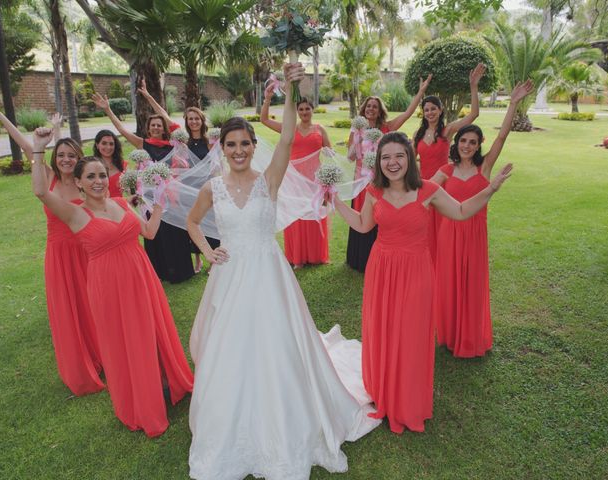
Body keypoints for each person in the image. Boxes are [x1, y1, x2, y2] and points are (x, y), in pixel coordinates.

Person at [185, 63, 379, 479]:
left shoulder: (268, 180)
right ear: (222, 147)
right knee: (229, 350)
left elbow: (288, 136)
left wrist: (290, 90)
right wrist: (208, 249)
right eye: (231, 144)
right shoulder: (211, 188)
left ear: (254, 145)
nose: (238, 150)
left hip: (269, 276)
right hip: (230, 275)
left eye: (245, 143)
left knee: (278, 345)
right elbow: (192, 223)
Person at [332, 131, 513, 433]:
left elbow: (460, 211)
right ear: (379, 162)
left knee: (412, 332)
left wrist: (490, 189)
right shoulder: (374, 191)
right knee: (384, 328)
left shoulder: (428, 189)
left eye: (399, 156)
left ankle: (407, 399)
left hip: (417, 271)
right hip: (382, 269)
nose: (392, 162)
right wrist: (336, 202)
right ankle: (383, 389)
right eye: (386, 157)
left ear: (409, 159)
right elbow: (363, 225)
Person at [30, 127, 193, 437]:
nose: (98, 181)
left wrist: (159, 202)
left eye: (101, 175)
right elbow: (40, 191)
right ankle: (140, 398)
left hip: (141, 276)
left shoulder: (120, 202)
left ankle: (163, 381)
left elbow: (149, 232)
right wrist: (38, 148)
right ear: (78, 182)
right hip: (109, 285)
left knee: (150, 330)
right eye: (90, 177)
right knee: (127, 338)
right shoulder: (75, 214)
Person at [0, 109, 104, 396]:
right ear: (54, 157)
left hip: (87, 251)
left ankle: (103, 353)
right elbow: (28, 146)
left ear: (78, 159)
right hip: (60, 256)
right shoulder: (47, 177)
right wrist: (0, 115)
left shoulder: (83, 182)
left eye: (71, 156)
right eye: (61, 155)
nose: (65, 159)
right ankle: (82, 363)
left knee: (93, 304)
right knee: (70, 309)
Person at [431, 80, 534, 358]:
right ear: (458, 143)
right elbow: (423, 189)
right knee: (450, 284)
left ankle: (470, 336)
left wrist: (512, 103)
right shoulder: (446, 169)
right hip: (449, 233)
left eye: (472, 142)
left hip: (475, 234)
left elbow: (501, 137)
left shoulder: (484, 167)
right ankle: (451, 334)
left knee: (472, 286)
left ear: (479, 146)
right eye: (463, 141)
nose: (467, 145)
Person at [92, 92, 194, 283]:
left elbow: (165, 114)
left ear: (163, 128)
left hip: (171, 195)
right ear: (148, 128)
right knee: (157, 232)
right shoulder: (143, 143)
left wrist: (149, 96)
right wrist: (107, 110)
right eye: (152, 125)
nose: (156, 127)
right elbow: (122, 131)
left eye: (159, 125)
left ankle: (181, 270)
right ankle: (161, 271)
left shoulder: (173, 144)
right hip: (150, 197)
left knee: (174, 231)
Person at [345, 77, 431, 272]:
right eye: (368, 106)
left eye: (375, 107)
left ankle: (377, 259)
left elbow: (408, 113)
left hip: (381, 182)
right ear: (363, 109)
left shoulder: (388, 128)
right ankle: (358, 260)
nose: (371, 109)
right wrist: (357, 137)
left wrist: (420, 92)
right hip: (360, 183)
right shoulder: (357, 128)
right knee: (361, 218)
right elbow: (350, 157)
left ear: (380, 110)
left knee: (379, 218)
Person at [138, 80, 219, 273]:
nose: (193, 121)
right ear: (186, 121)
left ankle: (212, 258)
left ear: (202, 120)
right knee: (191, 224)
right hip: (187, 188)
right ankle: (198, 259)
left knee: (211, 221)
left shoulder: (211, 141)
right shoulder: (182, 140)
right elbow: (164, 116)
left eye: (196, 118)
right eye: (190, 119)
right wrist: (149, 97)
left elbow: (216, 165)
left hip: (205, 187)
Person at [414, 63, 485, 262]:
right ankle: (426, 262)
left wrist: (473, 86)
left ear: (440, 110)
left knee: (441, 226)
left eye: (433, 109)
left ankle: (443, 262)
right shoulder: (417, 135)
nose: (430, 112)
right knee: (423, 227)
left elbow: (474, 115)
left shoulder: (448, 131)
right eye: (426, 109)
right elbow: (410, 161)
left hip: (443, 186)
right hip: (423, 185)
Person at [261, 85, 332, 267]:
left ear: (312, 110)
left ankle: (316, 256)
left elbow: (330, 153)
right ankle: (297, 257)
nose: (304, 112)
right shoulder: (289, 128)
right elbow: (264, 120)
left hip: (314, 180)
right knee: (296, 217)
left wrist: (327, 179)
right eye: (300, 109)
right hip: (293, 181)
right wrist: (268, 98)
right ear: (297, 111)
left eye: (307, 108)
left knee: (314, 215)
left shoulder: (320, 129)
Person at [93, 129, 125, 198]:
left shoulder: (124, 166)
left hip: (121, 206)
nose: (108, 147)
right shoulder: (91, 167)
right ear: (97, 145)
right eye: (104, 143)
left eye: (111, 144)